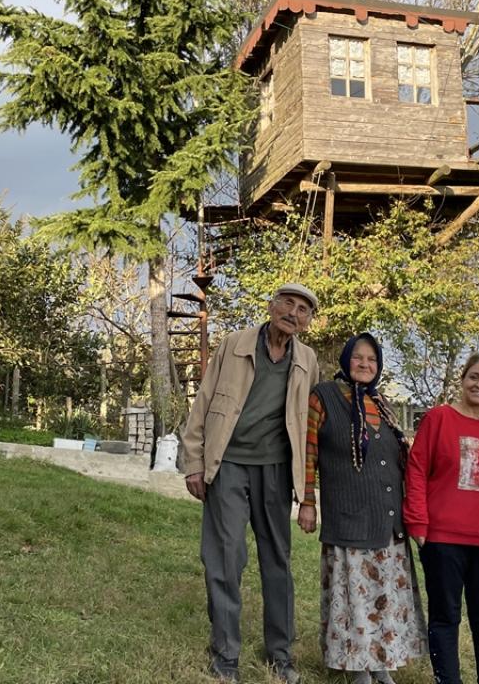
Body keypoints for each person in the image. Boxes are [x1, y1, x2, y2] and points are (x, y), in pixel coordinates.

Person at [181, 283, 321, 684]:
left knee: (278, 561)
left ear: (308, 321)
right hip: (228, 463)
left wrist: (308, 491)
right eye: (287, 304)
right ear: (271, 306)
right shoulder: (235, 344)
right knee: (225, 557)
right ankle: (225, 655)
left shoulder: (307, 360)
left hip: (276, 469)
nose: (293, 313)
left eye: (303, 310)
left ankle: (280, 655)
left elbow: (310, 424)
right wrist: (194, 462)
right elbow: (204, 402)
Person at [298, 332, 426, 684]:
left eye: (372, 359)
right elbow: (308, 451)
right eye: (358, 357)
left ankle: (381, 664)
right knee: (355, 597)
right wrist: (307, 501)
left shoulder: (381, 403)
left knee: (385, 597)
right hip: (349, 519)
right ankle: (358, 669)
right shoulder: (324, 396)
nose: (365, 364)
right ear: (346, 360)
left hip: (388, 522)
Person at [404, 353, 479, 684]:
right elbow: (417, 469)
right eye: (474, 377)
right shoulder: (439, 418)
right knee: (445, 618)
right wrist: (418, 522)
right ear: (462, 380)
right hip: (443, 538)